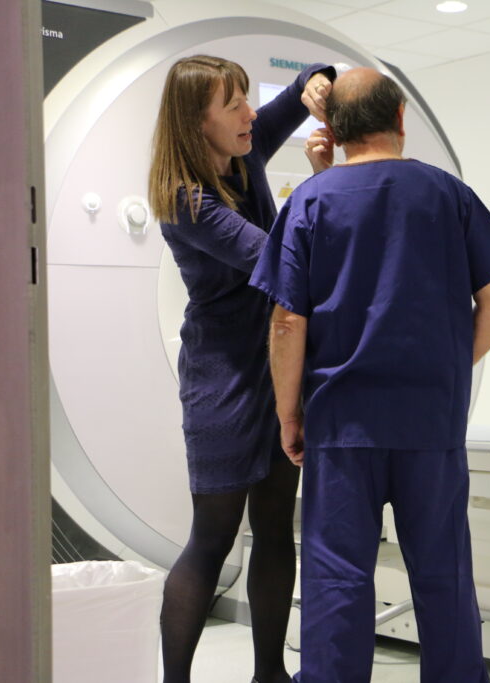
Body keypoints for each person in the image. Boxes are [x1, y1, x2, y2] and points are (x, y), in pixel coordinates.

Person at [250, 67, 490, 683]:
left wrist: (290, 412)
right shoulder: (448, 193)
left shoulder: (310, 203)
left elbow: (288, 322)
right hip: (431, 419)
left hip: (342, 423)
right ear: (400, 120)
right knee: (443, 573)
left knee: (338, 576)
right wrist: (447, 366)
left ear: (332, 129)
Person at [148, 54, 335, 683]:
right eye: (233, 105)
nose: (249, 114)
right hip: (221, 375)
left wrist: (316, 79)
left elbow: (308, 80)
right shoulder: (185, 198)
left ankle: (269, 674)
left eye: (246, 100)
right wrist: (319, 183)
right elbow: (273, 257)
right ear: (195, 121)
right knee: (214, 536)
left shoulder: (246, 151)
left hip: (278, 363)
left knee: (276, 525)